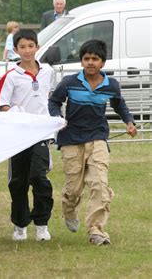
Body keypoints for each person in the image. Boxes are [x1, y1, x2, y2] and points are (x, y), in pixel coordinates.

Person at [48, 39, 137, 246]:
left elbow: (119, 105)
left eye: (95, 59)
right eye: (86, 58)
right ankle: (69, 209)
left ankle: (96, 230)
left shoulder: (111, 85)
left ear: (102, 63)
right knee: (74, 188)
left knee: (99, 184)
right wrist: (57, 118)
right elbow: (54, 101)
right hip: (71, 139)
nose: (90, 62)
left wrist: (129, 122)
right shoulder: (70, 82)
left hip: (97, 138)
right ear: (81, 61)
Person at [0, 29, 54, 242]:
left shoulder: (48, 71)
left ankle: (41, 224)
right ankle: (20, 225)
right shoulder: (11, 77)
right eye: (22, 47)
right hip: (18, 136)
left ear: (37, 47)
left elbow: (49, 100)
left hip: (40, 135)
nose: (27, 51)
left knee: (39, 177)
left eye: (31, 46)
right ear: (16, 49)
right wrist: (16, 115)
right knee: (18, 182)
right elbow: (2, 106)